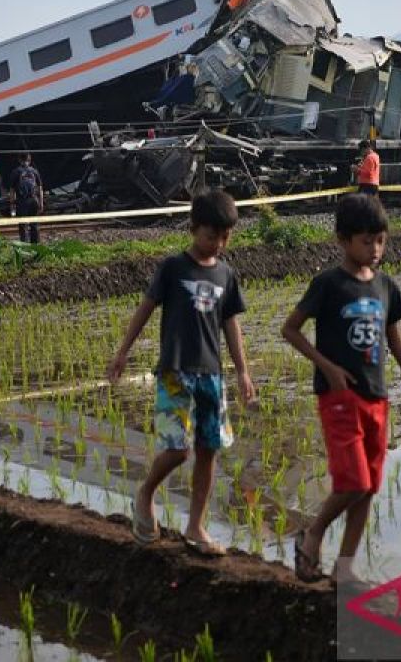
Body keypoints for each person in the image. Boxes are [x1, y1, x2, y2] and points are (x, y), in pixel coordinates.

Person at [281, 194, 401, 583]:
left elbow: (397, 342)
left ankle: (345, 566)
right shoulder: (329, 285)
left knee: (369, 487)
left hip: (377, 396)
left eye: (380, 241)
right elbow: (290, 330)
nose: (374, 249)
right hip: (339, 396)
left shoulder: (386, 287)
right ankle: (313, 534)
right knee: (353, 480)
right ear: (342, 240)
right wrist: (328, 366)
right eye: (365, 241)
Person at [106, 189, 257, 557]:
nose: (217, 244)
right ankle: (145, 494)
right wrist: (123, 351)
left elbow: (230, 324)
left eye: (224, 237)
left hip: (212, 374)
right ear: (193, 229)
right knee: (177, 451)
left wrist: (242, 371)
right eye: (211, 236)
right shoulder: (173, 268)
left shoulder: (226, 273)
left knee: (209, 450)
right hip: (175, 371)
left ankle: (196, 526)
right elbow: (145, 308)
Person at [7, 153, 44, 244]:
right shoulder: (34, 171)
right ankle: (35, 245)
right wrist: (41, 203)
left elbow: (12, 191)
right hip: (33, 200)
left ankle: (24, 245)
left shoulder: (15, 172)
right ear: (29, 159)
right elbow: (40, 189)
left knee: (22, 225)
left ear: (19, 160)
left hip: (21, 201)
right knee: (34, 224)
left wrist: (12, 205)